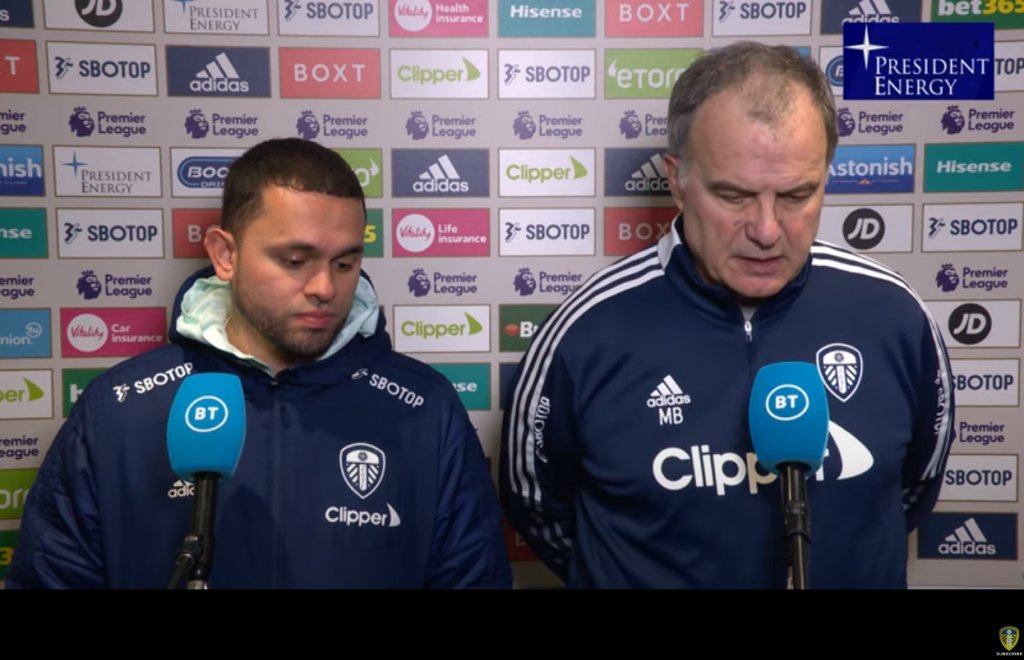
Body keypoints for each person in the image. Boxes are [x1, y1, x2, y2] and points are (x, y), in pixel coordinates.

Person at [500, 42, 954, 588]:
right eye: (734, 196)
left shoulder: (894, 316)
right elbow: (539, 509)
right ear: (677, 181)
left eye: (796, 195)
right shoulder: (586, 331)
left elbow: (912, 489)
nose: (766, 230)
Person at [8, 138, 512, 589]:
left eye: (345, 262)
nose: (324, 287)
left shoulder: (425, 409)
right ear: (225, 255)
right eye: (295, 261)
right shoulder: (119, 410)